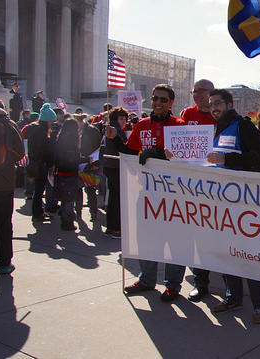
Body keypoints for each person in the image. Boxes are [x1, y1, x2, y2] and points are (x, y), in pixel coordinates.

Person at [106, 84, 187, 303]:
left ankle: (172, 285)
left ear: (171, 103)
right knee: (147, 238)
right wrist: (115, 138)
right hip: (147, 191)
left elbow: (185, 158)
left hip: (174, 194)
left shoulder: (180, 125)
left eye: (163, 99)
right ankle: (147, 280)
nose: (158, 103)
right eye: (155, 98)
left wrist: (158, 153)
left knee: (175, 241)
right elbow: (129, 152)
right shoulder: (141, 125)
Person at [205, 89, 260, 324]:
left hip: (244, 204)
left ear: (229, 104)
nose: (214, 107)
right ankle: (233, 297)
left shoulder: (243, 125)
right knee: (225, 253)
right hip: (219, 203)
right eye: (211, 104)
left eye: (218, 103)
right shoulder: (212, 129)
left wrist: (227, 160)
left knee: (249, 256)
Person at [181, 79, 217, 302]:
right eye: (194, 91)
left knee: (215, 232)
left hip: (215, 182)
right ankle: (200, 282)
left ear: (211, 93)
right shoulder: (187, 114)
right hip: (191, 182)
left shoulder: (218, 114)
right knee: (194, 232)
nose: (196, 94)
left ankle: (230, 282)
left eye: (201, 91)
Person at [0, 98, 25, 275]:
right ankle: (5, 263)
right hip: (5, 183)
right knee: (5, 223)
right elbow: (20, 153)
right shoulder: (9, 124)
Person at [51, 119, 90, 231]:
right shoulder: (69, 142)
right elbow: (71, 160)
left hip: (61, 171)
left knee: (65, 197)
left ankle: (65, 220)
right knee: (69, 198)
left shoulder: (60, 139)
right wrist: (87, 159)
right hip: (69, 172)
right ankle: (67, 222)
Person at [100, 107, 128, 240]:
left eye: (125, 119)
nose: (124, 121)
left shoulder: (107, 129)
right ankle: (117, 228)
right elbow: (123, 147)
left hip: (108, 165)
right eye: (121, 118)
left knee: (112, 197)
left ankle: (110, 226)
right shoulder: (116, 130)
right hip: (116, 165)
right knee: (117, 198)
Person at [26, 104, 56, 222]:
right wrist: (50, 163)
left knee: (38, 190)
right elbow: (44, 150)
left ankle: (38, 212)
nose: (52, 123)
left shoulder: (36, 130)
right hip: (41, 163)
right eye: (51, 121)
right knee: (38, 190)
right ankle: (37, 213)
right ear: (47, 120)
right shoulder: (40, 131)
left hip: (37, 162)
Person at [73, 113, 102, 222]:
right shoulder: (77, 131)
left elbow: (99, 148)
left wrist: (97, 163)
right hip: (79, 163)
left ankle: (93, 213)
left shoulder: (92, 130)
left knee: (90, 189)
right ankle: (78, 213)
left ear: (81, 121)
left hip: (91, 164)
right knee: (78, 189)